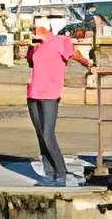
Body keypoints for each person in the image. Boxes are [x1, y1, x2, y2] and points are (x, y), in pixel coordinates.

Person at [22, 22, 91, 180]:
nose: (34, 30)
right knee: (40, 134)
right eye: (34, 27)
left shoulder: (61, 41)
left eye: (37, 27)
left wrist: (88, 64)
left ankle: (61, 171)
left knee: (48, 133)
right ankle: (49, 172)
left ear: (46, 28)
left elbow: (74, 54)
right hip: (33, 92)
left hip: (50, 93)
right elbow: (31, 62)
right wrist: (34, 47)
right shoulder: (35, 44)